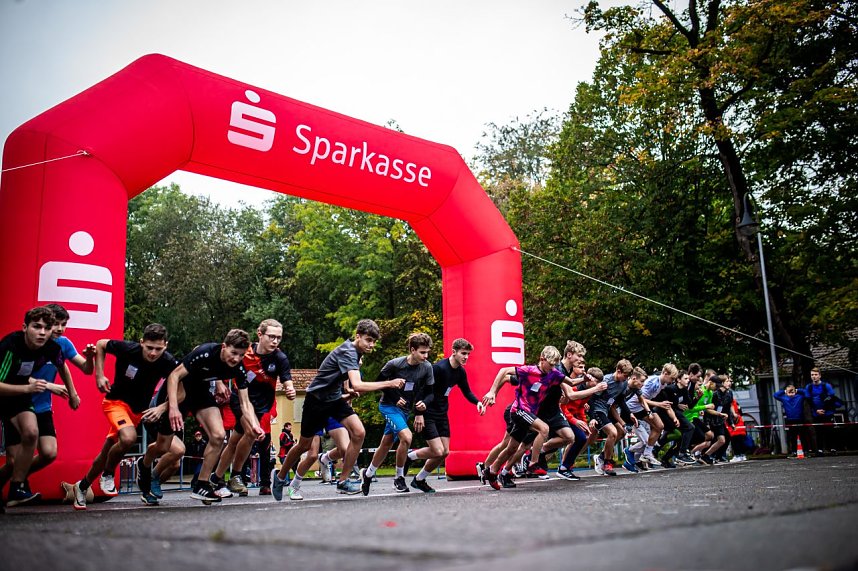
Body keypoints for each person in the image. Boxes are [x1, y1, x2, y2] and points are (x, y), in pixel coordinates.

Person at [271, 319, 404, 500]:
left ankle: (343, 481)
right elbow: (358, 384)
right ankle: (280, 478)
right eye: (368, 340)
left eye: (374, 341)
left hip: (334, 401)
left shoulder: (355, 352)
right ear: (358, 336)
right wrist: (389, 383)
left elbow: (341, 377)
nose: (371, 345)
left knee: (359, 432)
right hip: (316, 401)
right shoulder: (349, 351)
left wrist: (347, 391)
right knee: (304, 446)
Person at [140, 329, 259, 505]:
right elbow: (174, 376)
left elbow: (245, 402)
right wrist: (172, 408)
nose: (236, 359)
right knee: (166, 447)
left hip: (200, 395)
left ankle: (201, 484)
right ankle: (144, 464)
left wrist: (254, 425)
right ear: (223, 346)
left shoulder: (239, 368)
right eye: (233, 353)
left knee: (218, 436)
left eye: (241, 355)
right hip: (179, 392)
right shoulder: (204, 353)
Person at [70, 323, 179, 510]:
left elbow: (181, 390)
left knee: (106, 452)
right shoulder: (128, 349)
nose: (153, 353)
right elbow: (101, 344)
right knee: (128, 438)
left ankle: (82, 486)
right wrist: (100, 375)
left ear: (165, 346)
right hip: (115, 403)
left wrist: (162, 407)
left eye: (158, 349)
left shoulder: (168, 362)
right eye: (149, 348)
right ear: (141, 342)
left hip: (136, 412)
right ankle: (108, 473)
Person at [0, 304, 93, 497]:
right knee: (12, 461)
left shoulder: (55, 346)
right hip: (10, 394)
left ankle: (17, 486)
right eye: (38, 327)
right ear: (25, 328)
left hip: (28, 400)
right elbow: (14, 377)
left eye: (58, 326)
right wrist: (44, 386)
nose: (50, 331)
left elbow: (65, 367)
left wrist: (72, 391)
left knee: (38, 441)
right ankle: (17, 483)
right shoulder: (12, 344)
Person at [480, 346, 602, 490]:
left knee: (511, 448)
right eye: (549, 365)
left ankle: (492, 471)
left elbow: (571, 383)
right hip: (519, 410)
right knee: (544, 429)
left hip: (532, 413)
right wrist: (492, 392)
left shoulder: (554, 373)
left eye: (553, 366)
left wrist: (584, 379)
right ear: (542, 359)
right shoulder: (529, 370)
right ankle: (533, 462)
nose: (551, 369)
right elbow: (504, 371)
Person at [211, 319, 295, 498]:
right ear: (260, 334)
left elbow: (287, 379)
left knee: (235, 440)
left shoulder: (280, 358)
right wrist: (219, 382)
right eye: (271, 336)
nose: (275, 341)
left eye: (278, 338)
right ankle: (235, 476)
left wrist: (290, 389)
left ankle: (216, 477)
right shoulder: (245, 351)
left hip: (263, 405)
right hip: (241, 398)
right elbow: (219, 360)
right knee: (252, 432)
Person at [404, 338, 484, 493]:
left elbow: (466, 391)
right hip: (428, 412)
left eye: (468, 354)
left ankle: (419, 479)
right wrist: (419, 413)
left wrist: (478, 402)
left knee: (445, 452)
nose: (466, 357)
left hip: (442, 413)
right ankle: (410, 456)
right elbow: (422, 390)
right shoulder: (439, 368)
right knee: (438, 451)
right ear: (454, 352)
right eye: (463, 353)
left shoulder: (460, 371)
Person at [362, 332, 435, 494]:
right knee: (407, 437)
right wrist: (395, 398)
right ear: (412, 350)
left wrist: (421, 407)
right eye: (422, 352)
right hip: (389, 406)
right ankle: (399, 478)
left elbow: (430, 393)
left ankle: (367, 474)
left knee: (386, 444)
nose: (426, 356)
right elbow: (379, 384)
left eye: (427, 352)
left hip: (406, 410)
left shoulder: (427, 367)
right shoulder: (395, 364)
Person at [584, 359, 634, 477]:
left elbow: (620, 400)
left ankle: (601, 456)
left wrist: (629, 414)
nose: (626, 379)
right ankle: (607, 463)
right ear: (618, 371)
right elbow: (591, 397)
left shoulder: (624, 384)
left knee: (621, 432)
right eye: (625, 376)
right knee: (612, 432)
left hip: (607, 410)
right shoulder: (606, 381)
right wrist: (591, 416)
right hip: (597, 410)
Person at [805, 368, 843, 455]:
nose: (814, 376)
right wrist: (816, 410)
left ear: (819, 375)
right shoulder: (809, 387)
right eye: (812, 375)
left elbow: (831, 397)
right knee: (818, 431)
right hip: (816, 413)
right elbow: (808, 399)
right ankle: (820, 450)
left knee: (830, 431)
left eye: (815, 374)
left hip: (828, 412)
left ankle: (833, 449)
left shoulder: (826, 385)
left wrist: (824, 409)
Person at [774, 384, 808, 456]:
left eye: (792, 392)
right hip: (790, 420)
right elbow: (775, 395)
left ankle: (805, 451)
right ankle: (794, 452)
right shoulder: (784, 398)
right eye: (789, 392)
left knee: (803, 436)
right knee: (792, 437)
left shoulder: (799, 397)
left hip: (800, 419)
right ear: (786, 393)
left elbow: (806, 392)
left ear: (795, 392)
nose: (791, 394)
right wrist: (785, 391)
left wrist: (797, 390)